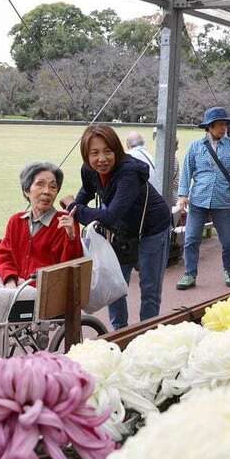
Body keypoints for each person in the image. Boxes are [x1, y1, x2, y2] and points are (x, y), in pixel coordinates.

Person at [0, 162, 82, 355]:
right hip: (13, 286)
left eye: (53, 186)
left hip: (42, 291)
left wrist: (72, 237)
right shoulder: (16, 220)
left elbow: (70, 267)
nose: (47, 191)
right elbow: (3, 254)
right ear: (26, 190)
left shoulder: (64, 223)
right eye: (40, 184)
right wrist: (11, 280)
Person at [61, 124, 172, 331]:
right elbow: (87, 190)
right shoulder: (89, 169)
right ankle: (119, 332)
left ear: (117, 151)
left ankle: (147, 334)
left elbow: (110, 216)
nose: (101, 159)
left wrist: (74, 207)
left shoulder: (128, 172)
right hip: (122, 231)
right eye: (94, 153)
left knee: (149, 288)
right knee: (114, 284)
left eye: (107, 151)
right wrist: (75, 207)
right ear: (86, 155)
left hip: (153, 229)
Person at [177, 106, 230, 290]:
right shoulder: (196, 146)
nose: (223, 128)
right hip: (198, 200)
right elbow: (187, 171)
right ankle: (189, 274)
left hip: (223, 200)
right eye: (219, 125)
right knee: (191, 239)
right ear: (209, 127)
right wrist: (183, 195)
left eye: (225, 125)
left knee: (228, 240)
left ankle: (229, 270)